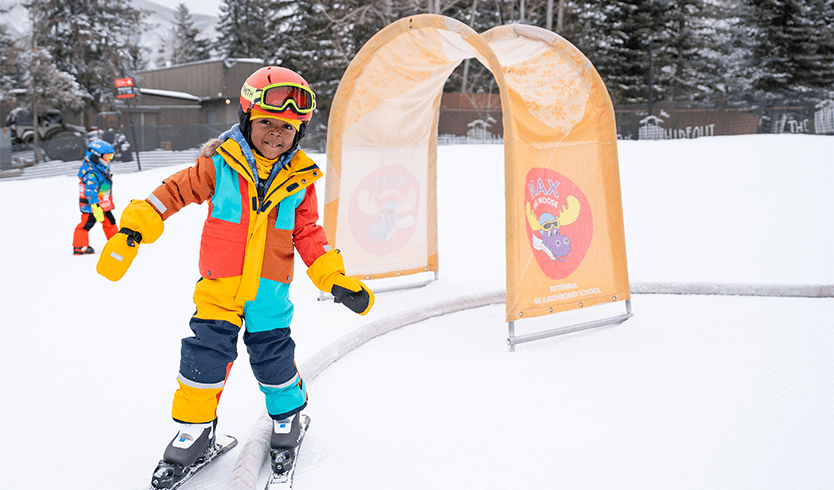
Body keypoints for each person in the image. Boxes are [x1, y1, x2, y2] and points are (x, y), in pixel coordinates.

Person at [95, 66, 375, 488]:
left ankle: (287, 420)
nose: (276, 133)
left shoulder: (301, 180)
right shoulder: (218, 163)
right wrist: (136, 226)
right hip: (218, 287)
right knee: (202, 359)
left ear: (298, 132)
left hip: (269, 293)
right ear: (247, 117)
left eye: (287, 126)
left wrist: (333, 278)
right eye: (266, 122)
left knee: (274, 361)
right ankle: (194, 430)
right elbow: (172, 191)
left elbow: (310, 235)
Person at [73, 139, 117, 255]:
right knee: (86, 224)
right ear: (95, 157)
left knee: (110, 222)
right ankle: (79, 246)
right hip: (92, 206)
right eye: (107, 157)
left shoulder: (100, 169)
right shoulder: (91, 174)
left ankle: (116, 243)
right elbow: (90, 192)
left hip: (103, 204)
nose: (109, 160)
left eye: (111, 156)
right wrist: (95, 206)